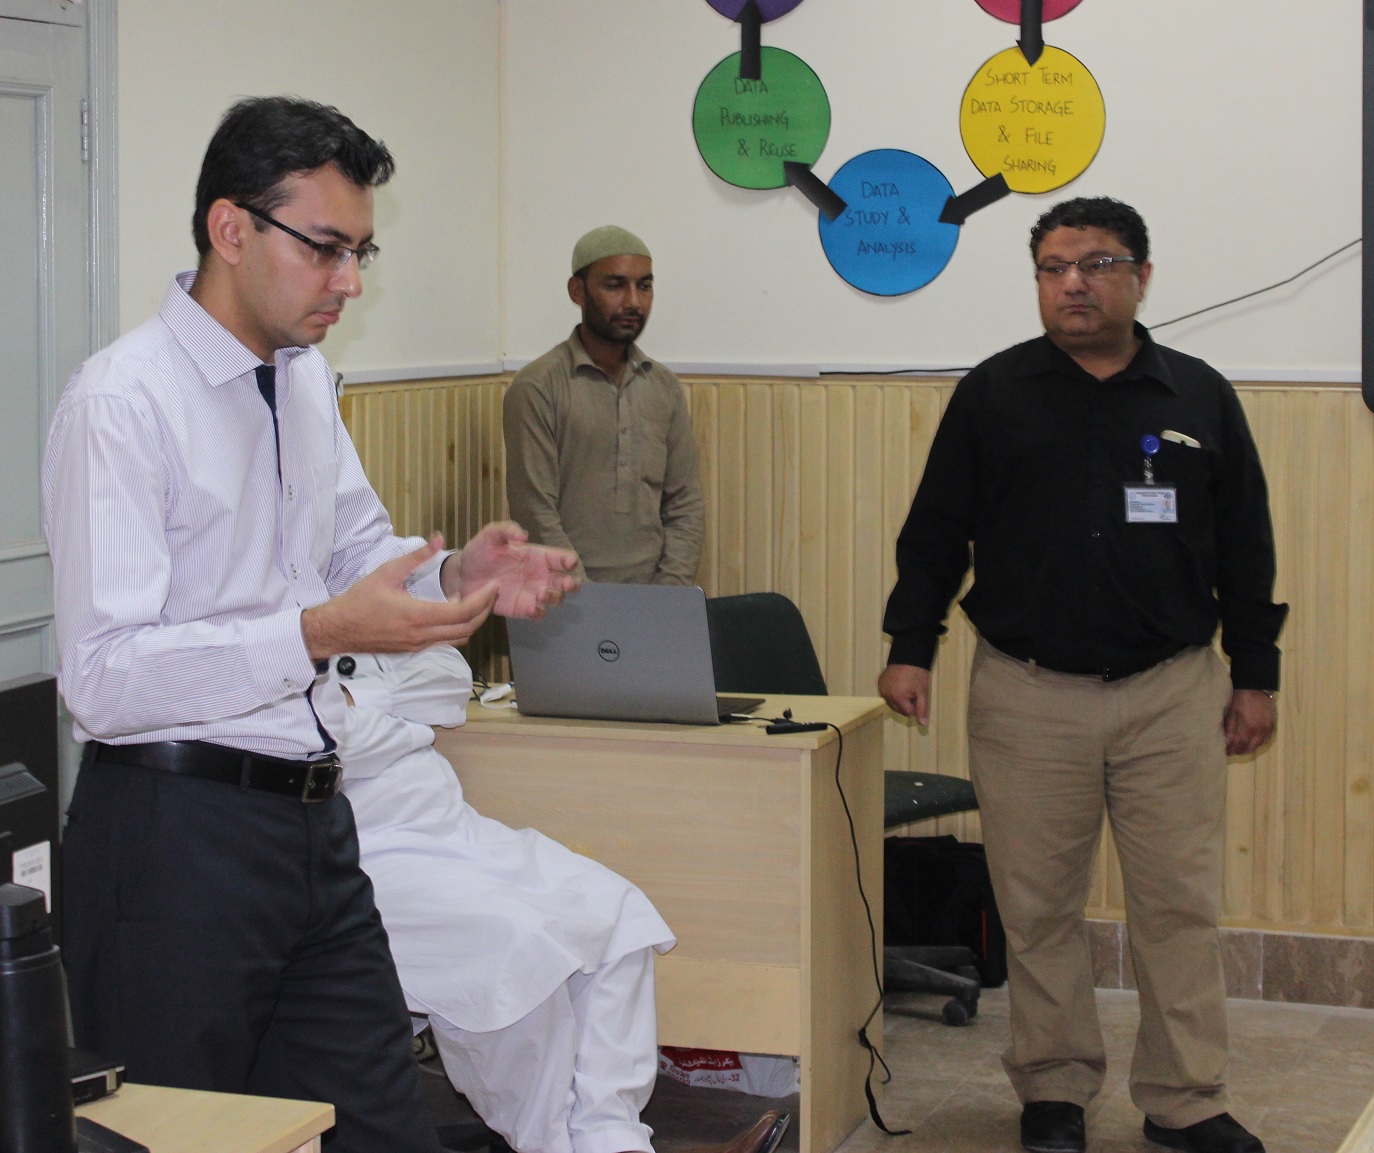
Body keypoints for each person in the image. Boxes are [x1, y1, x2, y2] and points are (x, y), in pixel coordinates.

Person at [44, 96, 580, 1153]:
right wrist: (313, 631)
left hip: (315, 823)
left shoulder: (302, 384)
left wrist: (455, 576)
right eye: (326, 248)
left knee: (382, 1128)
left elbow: (353, 559)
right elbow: (102, 677)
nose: (349, 281)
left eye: (359, 252)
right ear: (231, 229)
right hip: (170, 837)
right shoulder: (121, 402)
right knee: (176, 1137)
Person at [878, 198, 1287, 1153]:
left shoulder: (1199, 396)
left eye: (1097, 263)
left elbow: (1247, 545)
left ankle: (1185, 1099)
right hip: (1027, 693)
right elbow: (936, 532)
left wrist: (1255, 675)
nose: (1073, 283)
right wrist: (910, 644)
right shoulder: (993, 394)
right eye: (1053, 267)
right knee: (1037, 905)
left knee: (1178, 905)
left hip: (1172, 691)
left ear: (1141, 276)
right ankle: (1053, 1088)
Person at [335, 645, 787, 1153]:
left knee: (614, 911)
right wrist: (398, 711)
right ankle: (553, 1145)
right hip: (363, 851)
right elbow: (326, 738)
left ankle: (611, 1138)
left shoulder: (375, 610)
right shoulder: (287, 629)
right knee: (521, 946)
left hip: (455, 829)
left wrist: (361, 698)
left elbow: (450, 680)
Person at [504, 226, 704, 585]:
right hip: (564, 597)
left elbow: (685, 505)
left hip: (655, 596)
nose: (634, 302)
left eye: (644, 286)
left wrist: (669, 594)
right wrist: (590, 603)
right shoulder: (538, 387)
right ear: (577, 291)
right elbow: (536, 513)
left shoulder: (664, 387)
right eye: (615, 286)